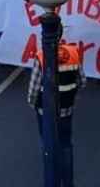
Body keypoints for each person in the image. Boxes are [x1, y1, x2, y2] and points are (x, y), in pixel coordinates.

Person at [28, 38, 82, 187]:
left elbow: (33, 89)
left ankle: (52, 181)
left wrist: (33, 105)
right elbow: (82, 81)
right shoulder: (73, 53)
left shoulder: (40, 56)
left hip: (45, 112)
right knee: (65, 145)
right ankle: (68, 183)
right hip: (66, 110)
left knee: (48, 145)